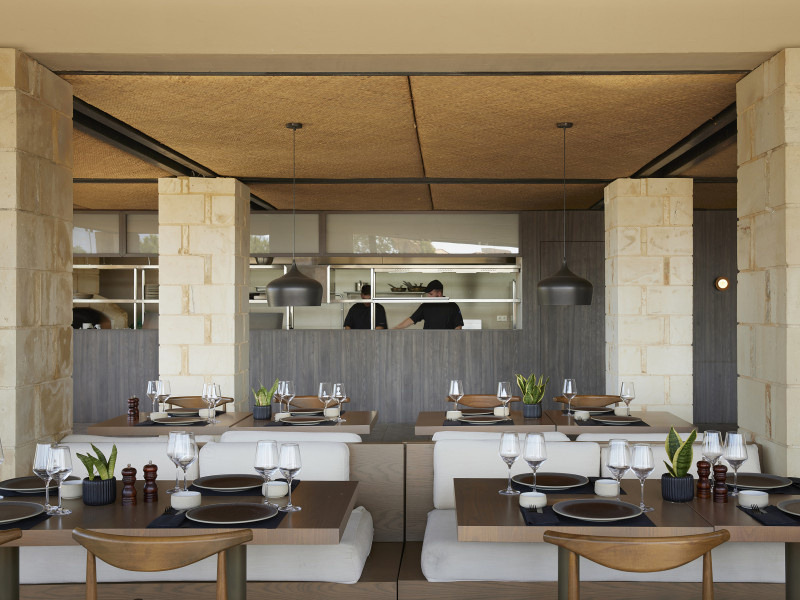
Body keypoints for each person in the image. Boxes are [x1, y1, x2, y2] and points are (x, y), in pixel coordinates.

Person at [393, 279, 463, 329]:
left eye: (431, 294)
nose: (428, 296)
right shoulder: (426, 305)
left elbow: (458, 327)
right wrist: (395, 328)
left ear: (439, 294)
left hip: (446, 342)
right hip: (428, 341)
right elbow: (411, 320)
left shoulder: (452, 306)